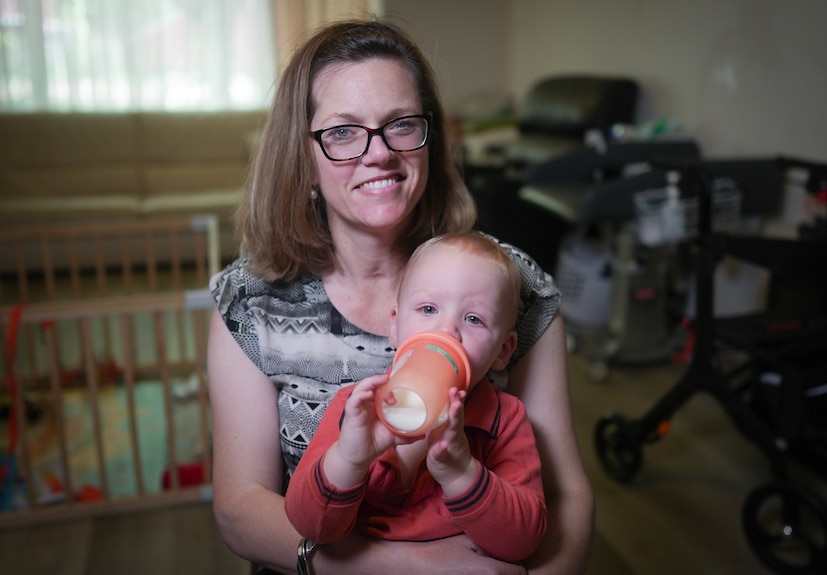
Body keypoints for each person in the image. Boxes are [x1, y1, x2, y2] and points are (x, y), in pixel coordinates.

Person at [207, 18, 594, 575]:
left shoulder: (516, 286)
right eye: (342, 132)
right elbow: (240, 510)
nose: (379, 153)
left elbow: (567, 499)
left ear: (430, 138)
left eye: (401, 124)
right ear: (304, 158)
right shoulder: (250, 303)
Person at [286, 232, 546, 563]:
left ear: (502, 351)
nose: (446, 330)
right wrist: (349, 459)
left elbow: (523, 541)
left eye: (474, 319)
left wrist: (460, 472)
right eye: (428, 308)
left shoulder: (504, 421)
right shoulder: (357, 409)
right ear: (395, 326)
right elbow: (310, 527)